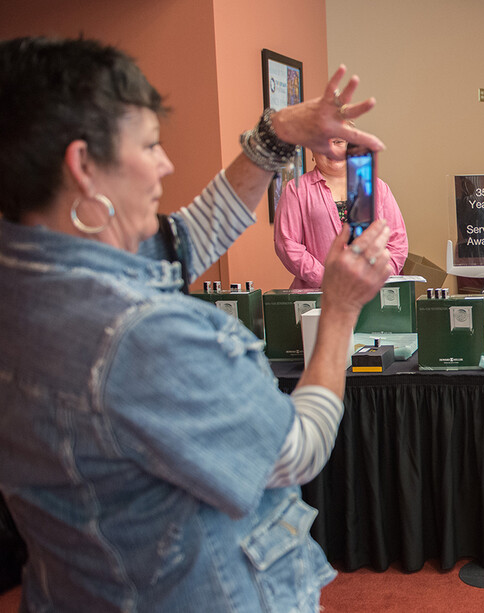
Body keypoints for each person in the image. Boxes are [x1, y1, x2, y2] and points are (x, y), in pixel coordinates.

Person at [0, 36, 393, 612]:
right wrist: (339, 310)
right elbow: (295, 451)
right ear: (84, 166)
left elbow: (189, 235)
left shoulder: (25, 275)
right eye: (151, 145)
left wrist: (275, 135)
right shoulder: (142, 337)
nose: (167, 163)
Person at [273, 132, 408, 289]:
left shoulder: (378, 187)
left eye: (338, 142)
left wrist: (378, 276)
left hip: (373, 294)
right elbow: (287, 245)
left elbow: (397, 242)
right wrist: (326, 279)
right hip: (318, 295)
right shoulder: (295, 189)